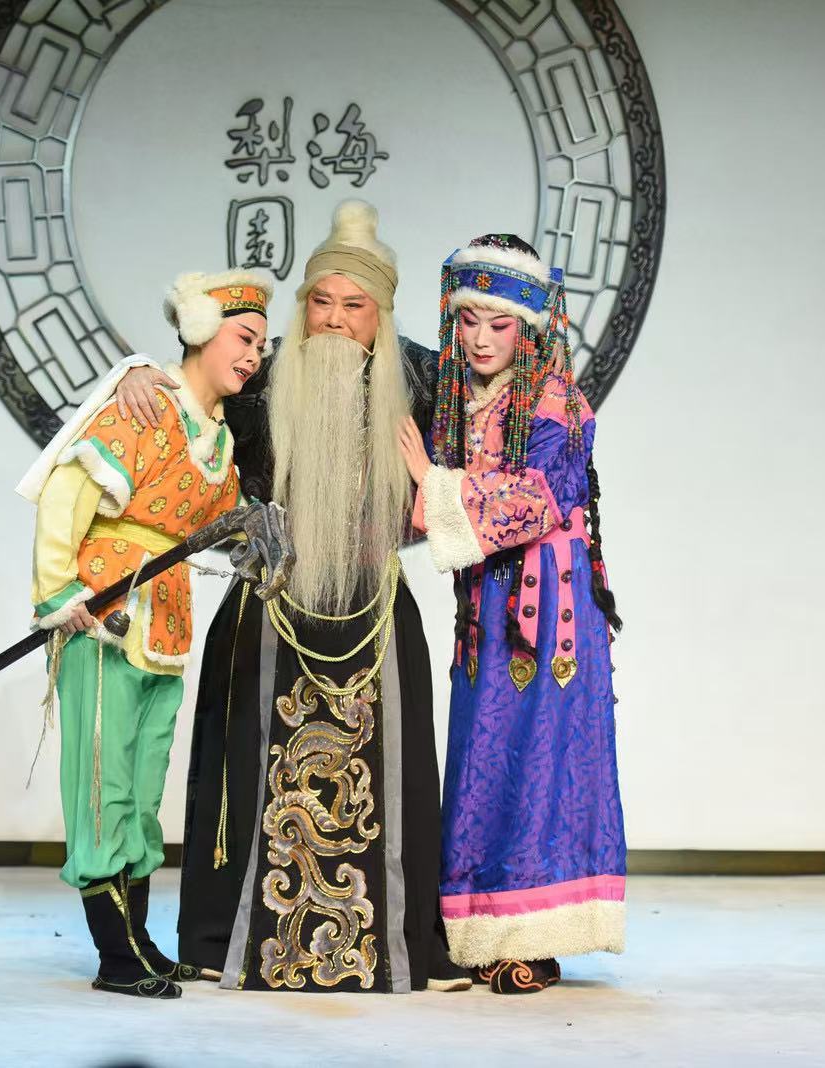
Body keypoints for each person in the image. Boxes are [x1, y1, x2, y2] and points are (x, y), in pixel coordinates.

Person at [115, 200, 465, 993]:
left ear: (381, 314)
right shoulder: (261, 372)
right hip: (269, 604)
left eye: (355, 305)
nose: (335, 320)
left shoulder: (422, 379)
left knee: (397, 777)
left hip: (373, 609)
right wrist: (132, 370)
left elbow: (496, 428)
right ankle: (227, 940)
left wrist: (428, 481)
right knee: (243, 771)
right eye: (321, 301)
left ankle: (398, 942)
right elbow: (186, 389)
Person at [16, 269, 272, 998]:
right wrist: (58, 592)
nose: (252, 355)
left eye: (260, 345)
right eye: (242, 338)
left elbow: (219, 525)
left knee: (143, 779)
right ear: (201, 330)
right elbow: (67, 491)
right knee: (103, 777)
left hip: (166, 618)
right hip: (104, 614)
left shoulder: (218, 437)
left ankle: (137, 935)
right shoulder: (145, 405)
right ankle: (114, 950)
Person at [395, 234, 626, 994]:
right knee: (481, 751)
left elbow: (542, 498)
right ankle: (478, 929)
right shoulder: (459, 399)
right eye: (469, 321)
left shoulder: (557, 402)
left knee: (538, 757)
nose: (481, 339)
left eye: (499, 324)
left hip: (549, 609)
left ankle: (535, 934)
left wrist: (435, 482)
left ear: (528, 327)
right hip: (486, 607)